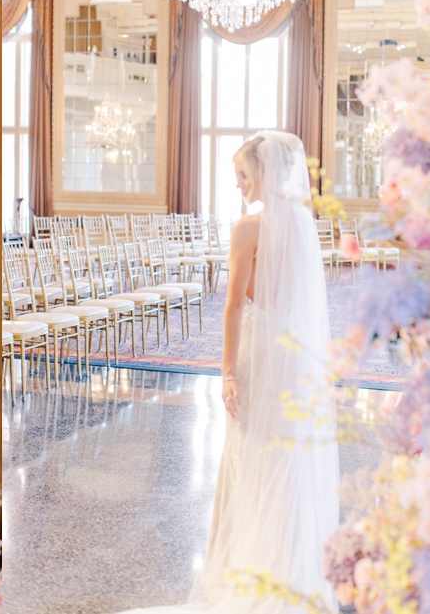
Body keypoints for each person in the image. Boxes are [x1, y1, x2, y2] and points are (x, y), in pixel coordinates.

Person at [121, 130, 339, 614]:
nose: (239, 184)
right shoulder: (303, 225)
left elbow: (234, 305)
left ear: (264, 173)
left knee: (251, 453)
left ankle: (248, 569)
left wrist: (227, 373)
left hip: (261, 356)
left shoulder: (248, 228)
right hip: (297, 360)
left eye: (243, 174)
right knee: (286, 459)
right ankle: (289, 571)